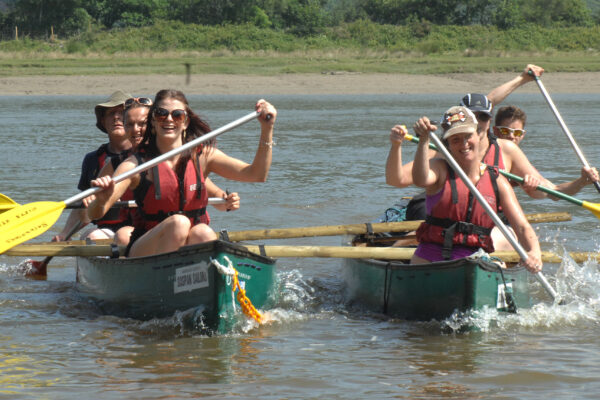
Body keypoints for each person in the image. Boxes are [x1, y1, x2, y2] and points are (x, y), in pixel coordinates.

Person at [87, 89, 276, 257]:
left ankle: (200, 278)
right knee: (178, 223)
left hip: (190, 246)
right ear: (153, 121)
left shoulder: (203, 156)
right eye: (161, 114)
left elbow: (257, 174)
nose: (169, 119)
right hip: (145, 250)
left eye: (177, 115)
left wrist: (267, 128)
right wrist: (102, 200)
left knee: (203, 231)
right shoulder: (135, 164)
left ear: (185, 122)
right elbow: (95, 213)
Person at [409, 106, 542, 273]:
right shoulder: (439, 169)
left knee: (498, 267)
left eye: (468, 136)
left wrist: (534, 252)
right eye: (455, 140)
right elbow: (420, 179)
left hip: (474, 261)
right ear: (448, 144)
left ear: (479, 135)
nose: (464, 144)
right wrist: (423, 141)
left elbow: (522, 227)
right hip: (430, 259)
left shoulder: (497, 181)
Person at [54, 90, 133, 241]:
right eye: (111, 113)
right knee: (92, 236)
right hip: (106, 230)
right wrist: (64, 234)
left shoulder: (147, 156)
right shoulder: (92, 159)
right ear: (103, 121)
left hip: (140, 229)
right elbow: (82, 205)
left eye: (121, 112)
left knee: (125, 236)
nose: (116, 117)